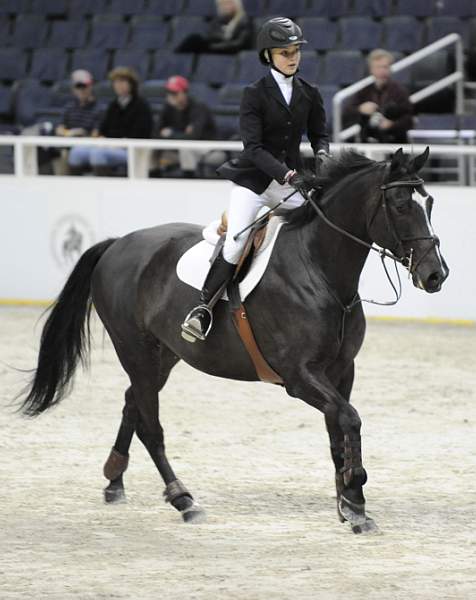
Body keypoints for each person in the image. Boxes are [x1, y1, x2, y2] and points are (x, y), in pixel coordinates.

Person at [181, 17, 330, 342]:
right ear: (268, 56)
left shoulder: (310, 92)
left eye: (295, 51)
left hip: (291, 183)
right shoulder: (254, 94)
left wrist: (322, 156)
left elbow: (320, 134)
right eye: (284, 52)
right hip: (255, 182)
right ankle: (202, 308)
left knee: (318, 226)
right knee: (235, 242)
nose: (292, 58)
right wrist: (287, 174)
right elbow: (253, 147)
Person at [68, 67, 153, 176]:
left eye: (122, 81)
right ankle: (77, 187)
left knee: (98, 154)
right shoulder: (113, 106)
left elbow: (142, 134)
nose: (118, 85)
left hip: (131, 149)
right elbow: (104, 130)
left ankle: (104, 188)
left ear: (131, 84)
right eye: (116, 82)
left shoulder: (142, 106)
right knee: (77, 152)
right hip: (109, 145)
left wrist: (117, 143)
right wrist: (102, 138)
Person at [343, 49, 413, 143]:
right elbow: (346, 113)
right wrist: (360, 109)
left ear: (390, 68)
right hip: (369, 142)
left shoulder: (399, 91)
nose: (382, 71)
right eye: (378, 67)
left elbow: (409, 120)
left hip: (395, 143)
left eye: (385, 67)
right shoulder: (364, 90)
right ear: (371, 69)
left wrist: (391, 125)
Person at [155, 75, 218, 177]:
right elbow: (155, 133)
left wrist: (170, 133)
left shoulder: (199, 108)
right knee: (151, 150)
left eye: (174, 93)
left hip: (207, 148)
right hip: (177, 148)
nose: (170, 96)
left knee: (185, 148)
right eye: (169, 93)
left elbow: (194, 137)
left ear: (184, 93)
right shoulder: (167, 108)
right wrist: (182, 134)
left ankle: (188, 180)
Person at [54, 70, 102, 175]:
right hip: (68, 143)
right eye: (78, 87)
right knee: (55, 151)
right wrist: (70, 133)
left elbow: (96, 134)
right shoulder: (68, 107)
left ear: (90, 86)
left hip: (88, 145)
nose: (81, 90)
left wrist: (83, 134)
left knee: (72, 153)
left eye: (84, 86)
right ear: (73, 89)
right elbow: (60, 129)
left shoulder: (99, 109)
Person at [176, 0, 253, 54]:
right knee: (194, 39)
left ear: (236, 4)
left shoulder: (244, 21)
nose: (225, 7)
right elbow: (211, 36)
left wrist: (213, 47)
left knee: (195, 40)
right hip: (216, 49)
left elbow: (240, 43)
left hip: (231, 52)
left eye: (228, 3)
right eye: (222, 4)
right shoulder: (218, 21)